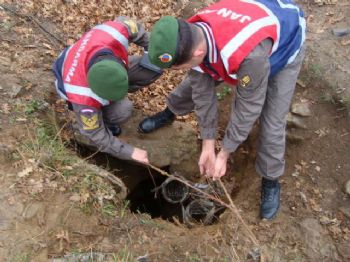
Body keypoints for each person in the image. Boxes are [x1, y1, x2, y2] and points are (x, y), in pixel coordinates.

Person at [138, 0, 306, 219]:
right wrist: (208, 143)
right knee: (193, 83)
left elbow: (248, 107)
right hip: (246, 28)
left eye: (179, 66)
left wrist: (225, 152)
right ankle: (171, 111)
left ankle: (270, 179)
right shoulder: (190, 33)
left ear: (198, 52)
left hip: (284, 44)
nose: (178, 70)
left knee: (272, 122)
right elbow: (202, 92)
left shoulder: (249, 57)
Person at [53, 17, 162, 164]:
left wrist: (152, 49)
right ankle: (107, 119)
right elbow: (95, 134)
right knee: (122, 111)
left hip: (96, 58)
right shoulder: (83, 98)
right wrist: (129, 152)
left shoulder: (114, 32)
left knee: (154, 66)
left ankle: (113, 96)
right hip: (73, 79)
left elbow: (133, 27)